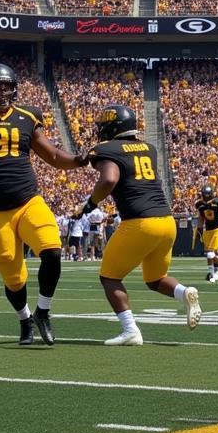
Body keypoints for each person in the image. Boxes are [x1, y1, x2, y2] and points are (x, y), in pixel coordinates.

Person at [0, 62, 89, 346]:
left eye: (8, 86)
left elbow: (55, 157)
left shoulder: (27, 116)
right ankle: (25, 318)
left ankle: (43, 311)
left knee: (52, 250)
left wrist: (79, 160)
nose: (3, 91)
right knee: (14, 277)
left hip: (28, 200)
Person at [75, 104, 201, 345]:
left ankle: (130, 330)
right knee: (155, 279)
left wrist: (89, 204)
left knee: (109, 277)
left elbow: (110, 178)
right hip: (166, 222)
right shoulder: (149, 148)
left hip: (140, 222)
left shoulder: (106, 148)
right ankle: (184, 293)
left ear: (112, 126)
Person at [194, 184, 218, 282]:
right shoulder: (199, 204)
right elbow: (201, 218)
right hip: (208, 230)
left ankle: (213, 275)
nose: (207, 196)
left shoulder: (217, 202)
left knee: (210, 254)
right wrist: (199, 229)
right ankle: (214, 272)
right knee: (213, 254)